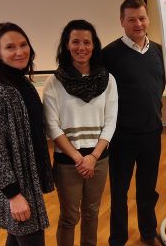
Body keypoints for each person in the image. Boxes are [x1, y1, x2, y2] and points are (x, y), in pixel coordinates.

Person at [42, 20, 118, 246]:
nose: (81, 47)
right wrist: (78, 158)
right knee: (69, 217)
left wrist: (93, 157)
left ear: (94, 46)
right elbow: (52, 126)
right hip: (68, 162)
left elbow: (111, 122)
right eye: (75, 42)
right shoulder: (53, 82)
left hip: (99, 158)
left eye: (87, 42)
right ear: (67, 45)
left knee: (92, 212)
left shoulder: (108, 80)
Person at [0, 22, 54, 246]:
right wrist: (13, 195)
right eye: (10, 47)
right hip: (15, 186)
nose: (20, 51)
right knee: (31, 235)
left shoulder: (23, 84)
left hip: (27, 179)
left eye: (23, 44)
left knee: (16, 237)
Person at [102, 0, 165, 246]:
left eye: (142, 18)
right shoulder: (108, 54)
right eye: (131, 19)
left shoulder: (159, 51)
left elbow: (160, 85)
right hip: (122, 137)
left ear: (147, 19)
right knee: (119, 192)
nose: (138, 23)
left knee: (148, 190)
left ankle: (148, 233)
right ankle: (117, 239)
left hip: (152, 133)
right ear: (122, 22)